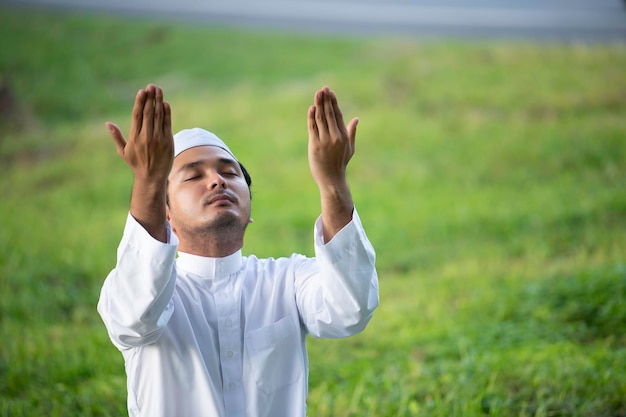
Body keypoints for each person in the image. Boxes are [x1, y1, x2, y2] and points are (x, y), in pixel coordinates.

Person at [97, 83, 379, 417]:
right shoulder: (141, 291)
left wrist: (333, 182)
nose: (217, 180)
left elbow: (350, 310)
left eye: (229, 172)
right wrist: (148, 182)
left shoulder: (285, 280)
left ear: (249, 210)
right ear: (166, 213)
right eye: (193, 176)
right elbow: (134, 318)